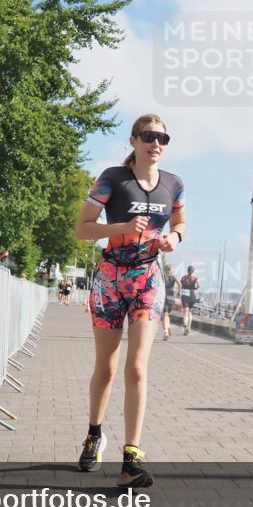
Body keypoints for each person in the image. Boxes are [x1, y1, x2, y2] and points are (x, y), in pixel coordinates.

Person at [74, 114, 185, 487]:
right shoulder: (113, 179)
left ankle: (131, 458)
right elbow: (81, 229)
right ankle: (94, 434)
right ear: (134, 140)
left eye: (163, 138)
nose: (156, 144)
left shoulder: (174, 184)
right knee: (105, 368)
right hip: (110, 279)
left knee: (137, 368)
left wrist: (174, 239)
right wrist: (121, 227)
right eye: (149, 136)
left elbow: (180, 223)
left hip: (147, 279)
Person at [161, 264, 179, 340]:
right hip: (171, 298)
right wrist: (178, 292)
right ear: (171, 270)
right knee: (166, 314)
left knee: (164, 315)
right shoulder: (174, 277)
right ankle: (168, 327)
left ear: (165, 270)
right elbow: (180, 284)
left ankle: (166, 331)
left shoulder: (163, 277)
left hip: (164, 297)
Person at [179, 265, 199, 335]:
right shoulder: (195, 278)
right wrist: (194, 288)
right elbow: (198, 286)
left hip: (185, 295)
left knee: (185, 312)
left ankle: (185, 327)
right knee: (190, 312)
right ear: (193, 271)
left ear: (187, 270)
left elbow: (181, 286)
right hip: (192, 295)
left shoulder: (183, 278)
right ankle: (189, 327)